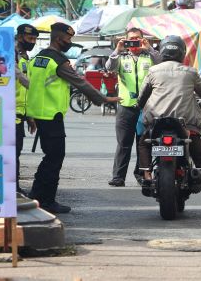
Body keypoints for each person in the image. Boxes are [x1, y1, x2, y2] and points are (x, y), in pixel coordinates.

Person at [26, 22, 122, 214]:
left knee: (49, 157)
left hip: (38, 113)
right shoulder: (58, 61)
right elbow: (81, 83)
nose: (69, 42)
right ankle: (46, 200)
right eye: (68, 39)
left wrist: (30, 114)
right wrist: (102, 99)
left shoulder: (38, 58)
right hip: (51, 115)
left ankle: (36, 195)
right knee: (54, 158)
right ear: (58, 38)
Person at [135, 35, 201, 215]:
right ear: (182, 52)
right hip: (186, 126)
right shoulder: (190, 72)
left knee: (143, 142)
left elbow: (142, 98)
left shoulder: (153, 71)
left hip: (157, 123)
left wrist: (140, 104)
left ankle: (147, 174)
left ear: (162, 51)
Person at [107, 27, 160, 187]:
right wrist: (117, 49)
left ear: (143, 39)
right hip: (126, 106)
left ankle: (142, 174)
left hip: (147, 107)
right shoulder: (121, 57)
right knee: (124, 143)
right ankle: (118, 177)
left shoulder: (149, 56)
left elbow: (162, 63)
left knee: (144, 142)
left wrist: (149, 48)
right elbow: (110, 67)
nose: (134, 42)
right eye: (131, 39)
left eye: (137, 39)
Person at [14, 24, 38, 195]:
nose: (33, 42)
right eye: (30, 39)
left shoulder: (24, 55)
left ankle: (14, 186)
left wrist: (30, 115)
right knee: (11, 154)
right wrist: (40, 89)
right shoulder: (10, 53)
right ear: (20, 37)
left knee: (16, 152)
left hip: (20, 113)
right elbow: (20, 78)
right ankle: (12, 188)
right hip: (8, 112)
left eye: (35, 39)